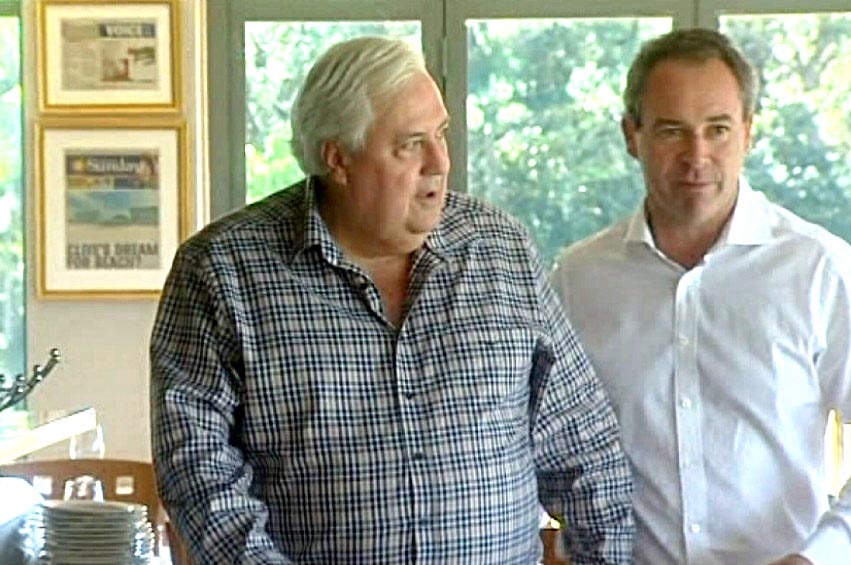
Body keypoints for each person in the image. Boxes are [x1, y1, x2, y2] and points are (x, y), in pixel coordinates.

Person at [150, 36, 634, 564]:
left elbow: (585, 448)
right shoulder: (223, 272)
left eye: (441, 134)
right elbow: (198, 476)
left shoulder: (500, 252)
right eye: (410, 144)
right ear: (339, 158)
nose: (440, 162)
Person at [551, 28, 851, 565]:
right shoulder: (578, 280)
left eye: (718, 129)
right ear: (630, 135)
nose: (697, 155)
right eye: (671, 131)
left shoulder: (818, 269)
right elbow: (530, 439)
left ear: (749, 133)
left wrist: (822, 554)